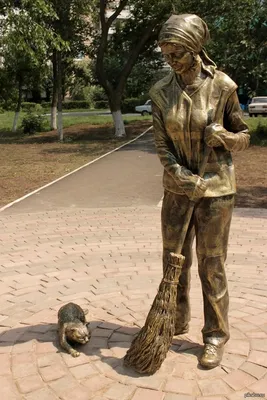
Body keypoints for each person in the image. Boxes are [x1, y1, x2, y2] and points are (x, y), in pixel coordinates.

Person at [149, 14, 250, 369]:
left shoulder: (223, 87)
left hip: (216, 190)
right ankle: (173, 321)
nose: (171, 61)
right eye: (166, 54)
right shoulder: (160, 91)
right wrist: (179, 175)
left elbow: (244, 136)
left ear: (195, 50)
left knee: (212, 264)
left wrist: (224, 138)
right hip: (177, 190)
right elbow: (161, 143)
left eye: (177, 53)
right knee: (174, 258)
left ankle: (215, 335)